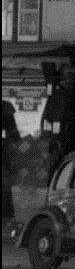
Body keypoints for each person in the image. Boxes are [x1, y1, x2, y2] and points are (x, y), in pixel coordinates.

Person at [1, 95, 19, 227]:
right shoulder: (6, 108)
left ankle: (7, 216)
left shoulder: (6, 108)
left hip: (5, 157)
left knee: (5, 186)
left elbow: (13, 133)